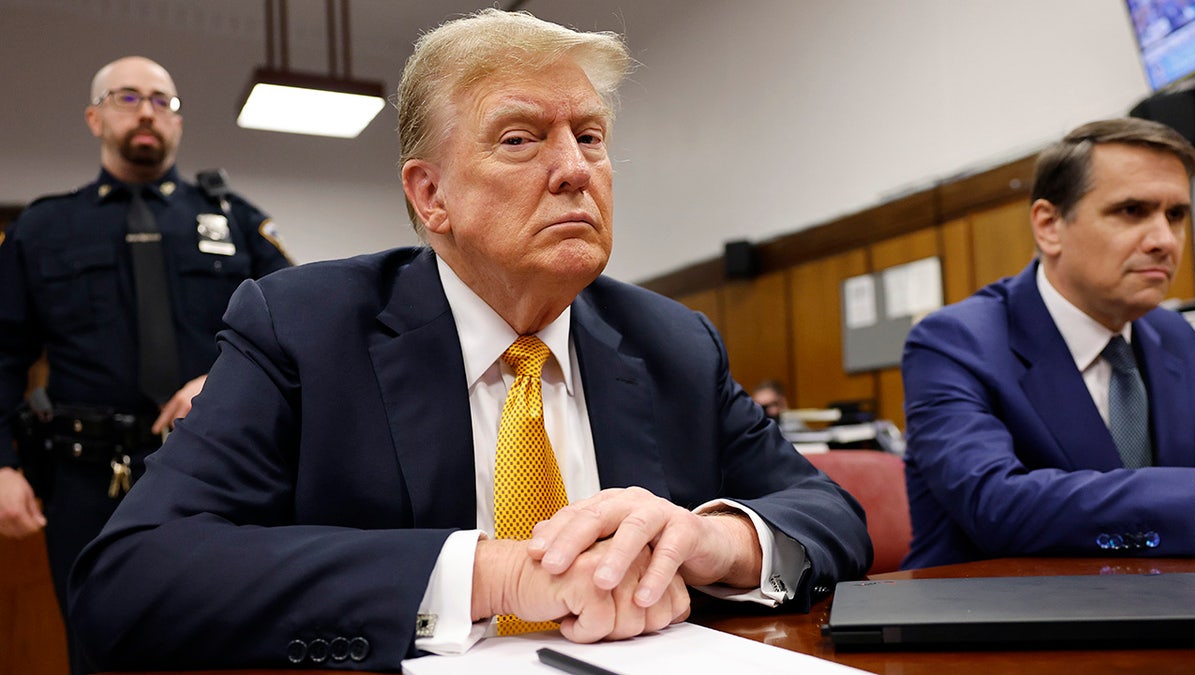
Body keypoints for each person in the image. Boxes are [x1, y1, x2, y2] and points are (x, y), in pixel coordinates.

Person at [68, 10, 871, 671]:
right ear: (431, 195)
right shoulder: (302, 328)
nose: (574, 169)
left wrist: (709, 540)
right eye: (520, 139)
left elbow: (829, 513)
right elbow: (132, 577)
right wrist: (495, 573)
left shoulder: (672, 342)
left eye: (590, 137)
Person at [0, 55, 291, 673]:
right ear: (94, 116)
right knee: (95, 647)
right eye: (128, 98)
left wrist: (221, 379)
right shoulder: (42, 228)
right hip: (83, 480)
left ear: (178, 123)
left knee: (221, 644)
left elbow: (294, 334)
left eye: (163, 101)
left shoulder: (234, 220)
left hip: (213, 467)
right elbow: (2, 354)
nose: (148, 113)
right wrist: (0, 464)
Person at [901, 117, 1195, 569]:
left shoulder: (1176, 334)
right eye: (1132, 211)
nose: (1164, 240)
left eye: (1175, 215)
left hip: (1160, 605)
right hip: (990, 621)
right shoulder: (955, 342)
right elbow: (995, 504)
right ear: (1049, 226)